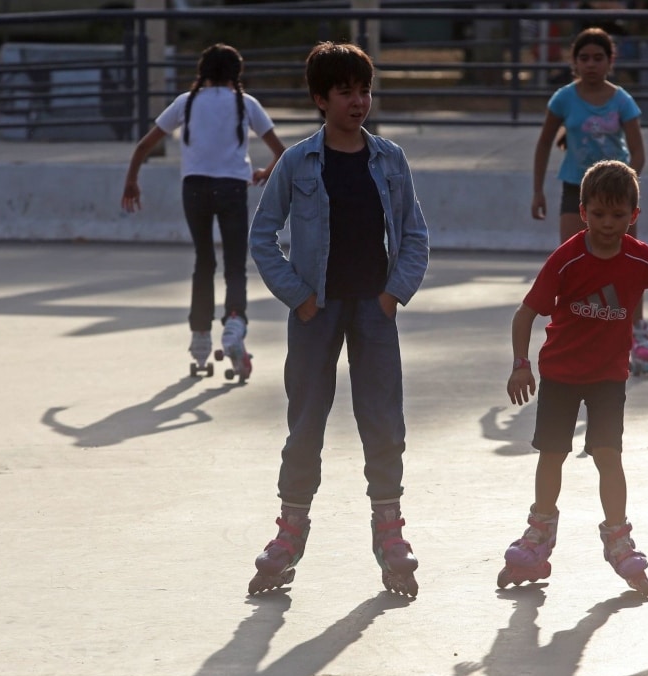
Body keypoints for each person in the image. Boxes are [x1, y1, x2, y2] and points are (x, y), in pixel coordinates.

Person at [246, 42, 430, 598]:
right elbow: (263, 235)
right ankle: (289, 532)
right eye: (345, 91)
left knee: (383, 420)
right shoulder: (298, 162)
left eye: (364, 90)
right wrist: (297, 295)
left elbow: (415, 233)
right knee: (306, 422)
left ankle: (390, 530)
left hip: (373, 309)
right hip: (315, 311)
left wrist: (394, 293)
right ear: (320, 99)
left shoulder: (390, 159)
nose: (358, 101)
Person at [500, 160, 648, 599]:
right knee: (552, 455)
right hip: (561, 376)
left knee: (608, 455)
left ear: (634, 216)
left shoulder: (638, 258)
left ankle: (618, 538)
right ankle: (539, 533)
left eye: (618, 215)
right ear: (583, 212)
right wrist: (519, 363)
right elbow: (526, 311)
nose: (608, 224)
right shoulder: (567, 259)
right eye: (599, 214)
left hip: (607, 379)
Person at [120, 43, 285, 380]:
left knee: (204, 260)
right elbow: (281, 151)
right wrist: (265, 172)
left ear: (202, 72)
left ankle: (199, 338)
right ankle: (234, 325)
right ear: (236, 75)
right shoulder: (246, 103)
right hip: (232, 188)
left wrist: (131, 181)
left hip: (194, 189)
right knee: (235, 262)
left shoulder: (186, 102)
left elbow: (143, 146)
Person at [530, 28, 648, 376]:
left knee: (631, 263)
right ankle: (574, 332)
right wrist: (538, 190)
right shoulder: (564, 99)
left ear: (610, 61)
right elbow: (544, 144)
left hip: (616, 195)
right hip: (576, 189)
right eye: (583, 58)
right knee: (572, 263)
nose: (590, 64)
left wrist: (625, 191)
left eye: (598, 58)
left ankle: (636, 328)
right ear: (574, 62)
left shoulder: (622, 101)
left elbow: (639, 152)